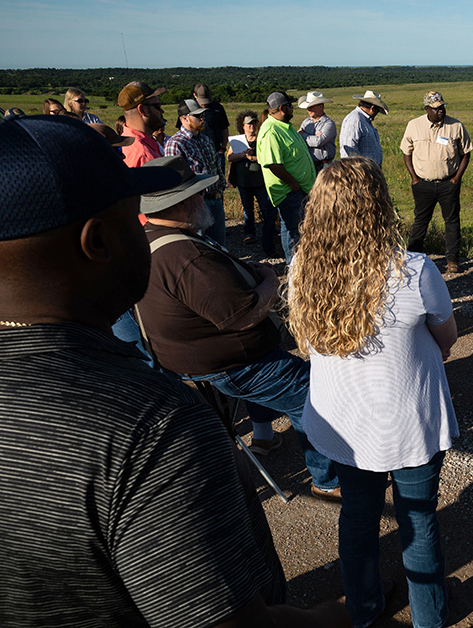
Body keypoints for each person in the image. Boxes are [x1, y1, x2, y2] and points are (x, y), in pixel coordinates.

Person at [0, 113, 350, 628]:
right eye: (131, 218)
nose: (145, 229)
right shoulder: (152, 427)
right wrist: (341, 618)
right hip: (234, 366)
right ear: (99, 242)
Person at [288, 158, 458, 628]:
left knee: (358, 519)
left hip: (344, 420)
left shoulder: (303, 265)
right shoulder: (414, 270)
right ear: (379, 205)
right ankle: (429, 617)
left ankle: (362, 610)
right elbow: (448, 339)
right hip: (409, 421)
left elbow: (306, 340)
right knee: (418, 522)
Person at [134, 154, 341, 500]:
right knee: (310, 394)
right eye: (198, 194)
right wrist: (269, 282)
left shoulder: (151, 237)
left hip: (189, 360)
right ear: (182, 204)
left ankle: (264, 435)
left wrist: (239, 271)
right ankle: (329, 479)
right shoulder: (187, 258)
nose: (205, 199)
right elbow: (243, 316)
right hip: (229, 363)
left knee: (276, 374)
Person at [401, 90, 473, 274]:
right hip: (423, 184)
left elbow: (466, 153)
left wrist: (457, 178)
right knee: (420, 221)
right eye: (436, 108)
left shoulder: (455, 126)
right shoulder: (414, 125)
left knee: (451, 221)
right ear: (427, 109)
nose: (440, 111)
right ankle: (413, 258)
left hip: (448, 183)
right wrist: (414, 178)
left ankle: (452, 261)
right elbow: (406, 151)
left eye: (442, 107)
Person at [257, 91, 316, 258]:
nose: (293, 109)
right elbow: (273, 164)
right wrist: (292, 183)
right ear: (282, 108)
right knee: (292, 230)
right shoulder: (271, 131)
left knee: (299, 229)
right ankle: (293, 266)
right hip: (289, 191)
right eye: (290, 106)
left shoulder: (284, 127)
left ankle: (301, 265)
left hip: (300, 188)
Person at [164, 99, 227, 246]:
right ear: (184, 118)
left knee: (220, 246)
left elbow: (216, 166)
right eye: (198, 116)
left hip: (215, 199)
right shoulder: (176, 143)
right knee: (200, 246)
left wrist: (220, 187)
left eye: (203, 115)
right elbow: (176, 181)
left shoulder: (206, 140)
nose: (202, 119)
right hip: (196, 204)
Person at [229, 110, 278, 248]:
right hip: (243, 181)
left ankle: (270, 232)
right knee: (247, 209)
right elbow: (229, 157)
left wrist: (252, 157)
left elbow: (265, 158)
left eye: (253, 123)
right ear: (242, 126)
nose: (251, 126)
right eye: (248, 124)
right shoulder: (237, 140)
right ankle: (249, 233)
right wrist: (243, 155)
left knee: (266, 207)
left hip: (260, 181)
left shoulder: (261, 138)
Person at [118, 81, 166, 168]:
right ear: (143, 110)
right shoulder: (144, 155)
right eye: (157, 106)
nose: (162, 111)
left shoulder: (125, 140)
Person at [194, 83, 230, 180]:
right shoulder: (189, 109)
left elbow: (224, 129)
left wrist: (223, 148)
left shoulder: (218, 108)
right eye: (202, 101)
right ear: (194, 96)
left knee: (219, 182)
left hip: (216, 152)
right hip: (197, 154)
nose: (204, 103)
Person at [340, 90, 387, 165]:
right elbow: (349, 150)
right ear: (372, 108)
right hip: (359, 172)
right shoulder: (355, 120)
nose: (376, 114)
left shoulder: (364, 120)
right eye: (377, 111)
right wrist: (360, 170)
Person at [298, 91, 337, 171]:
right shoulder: (306, 122)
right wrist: (314, 137)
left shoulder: (329, 124)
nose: (309, 109)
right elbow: (298, 139)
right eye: (308, 107)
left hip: (324, 166)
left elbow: (318, 142)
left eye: (312, 106)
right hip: (308, 164)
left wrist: (303, 135)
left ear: (321, 106)